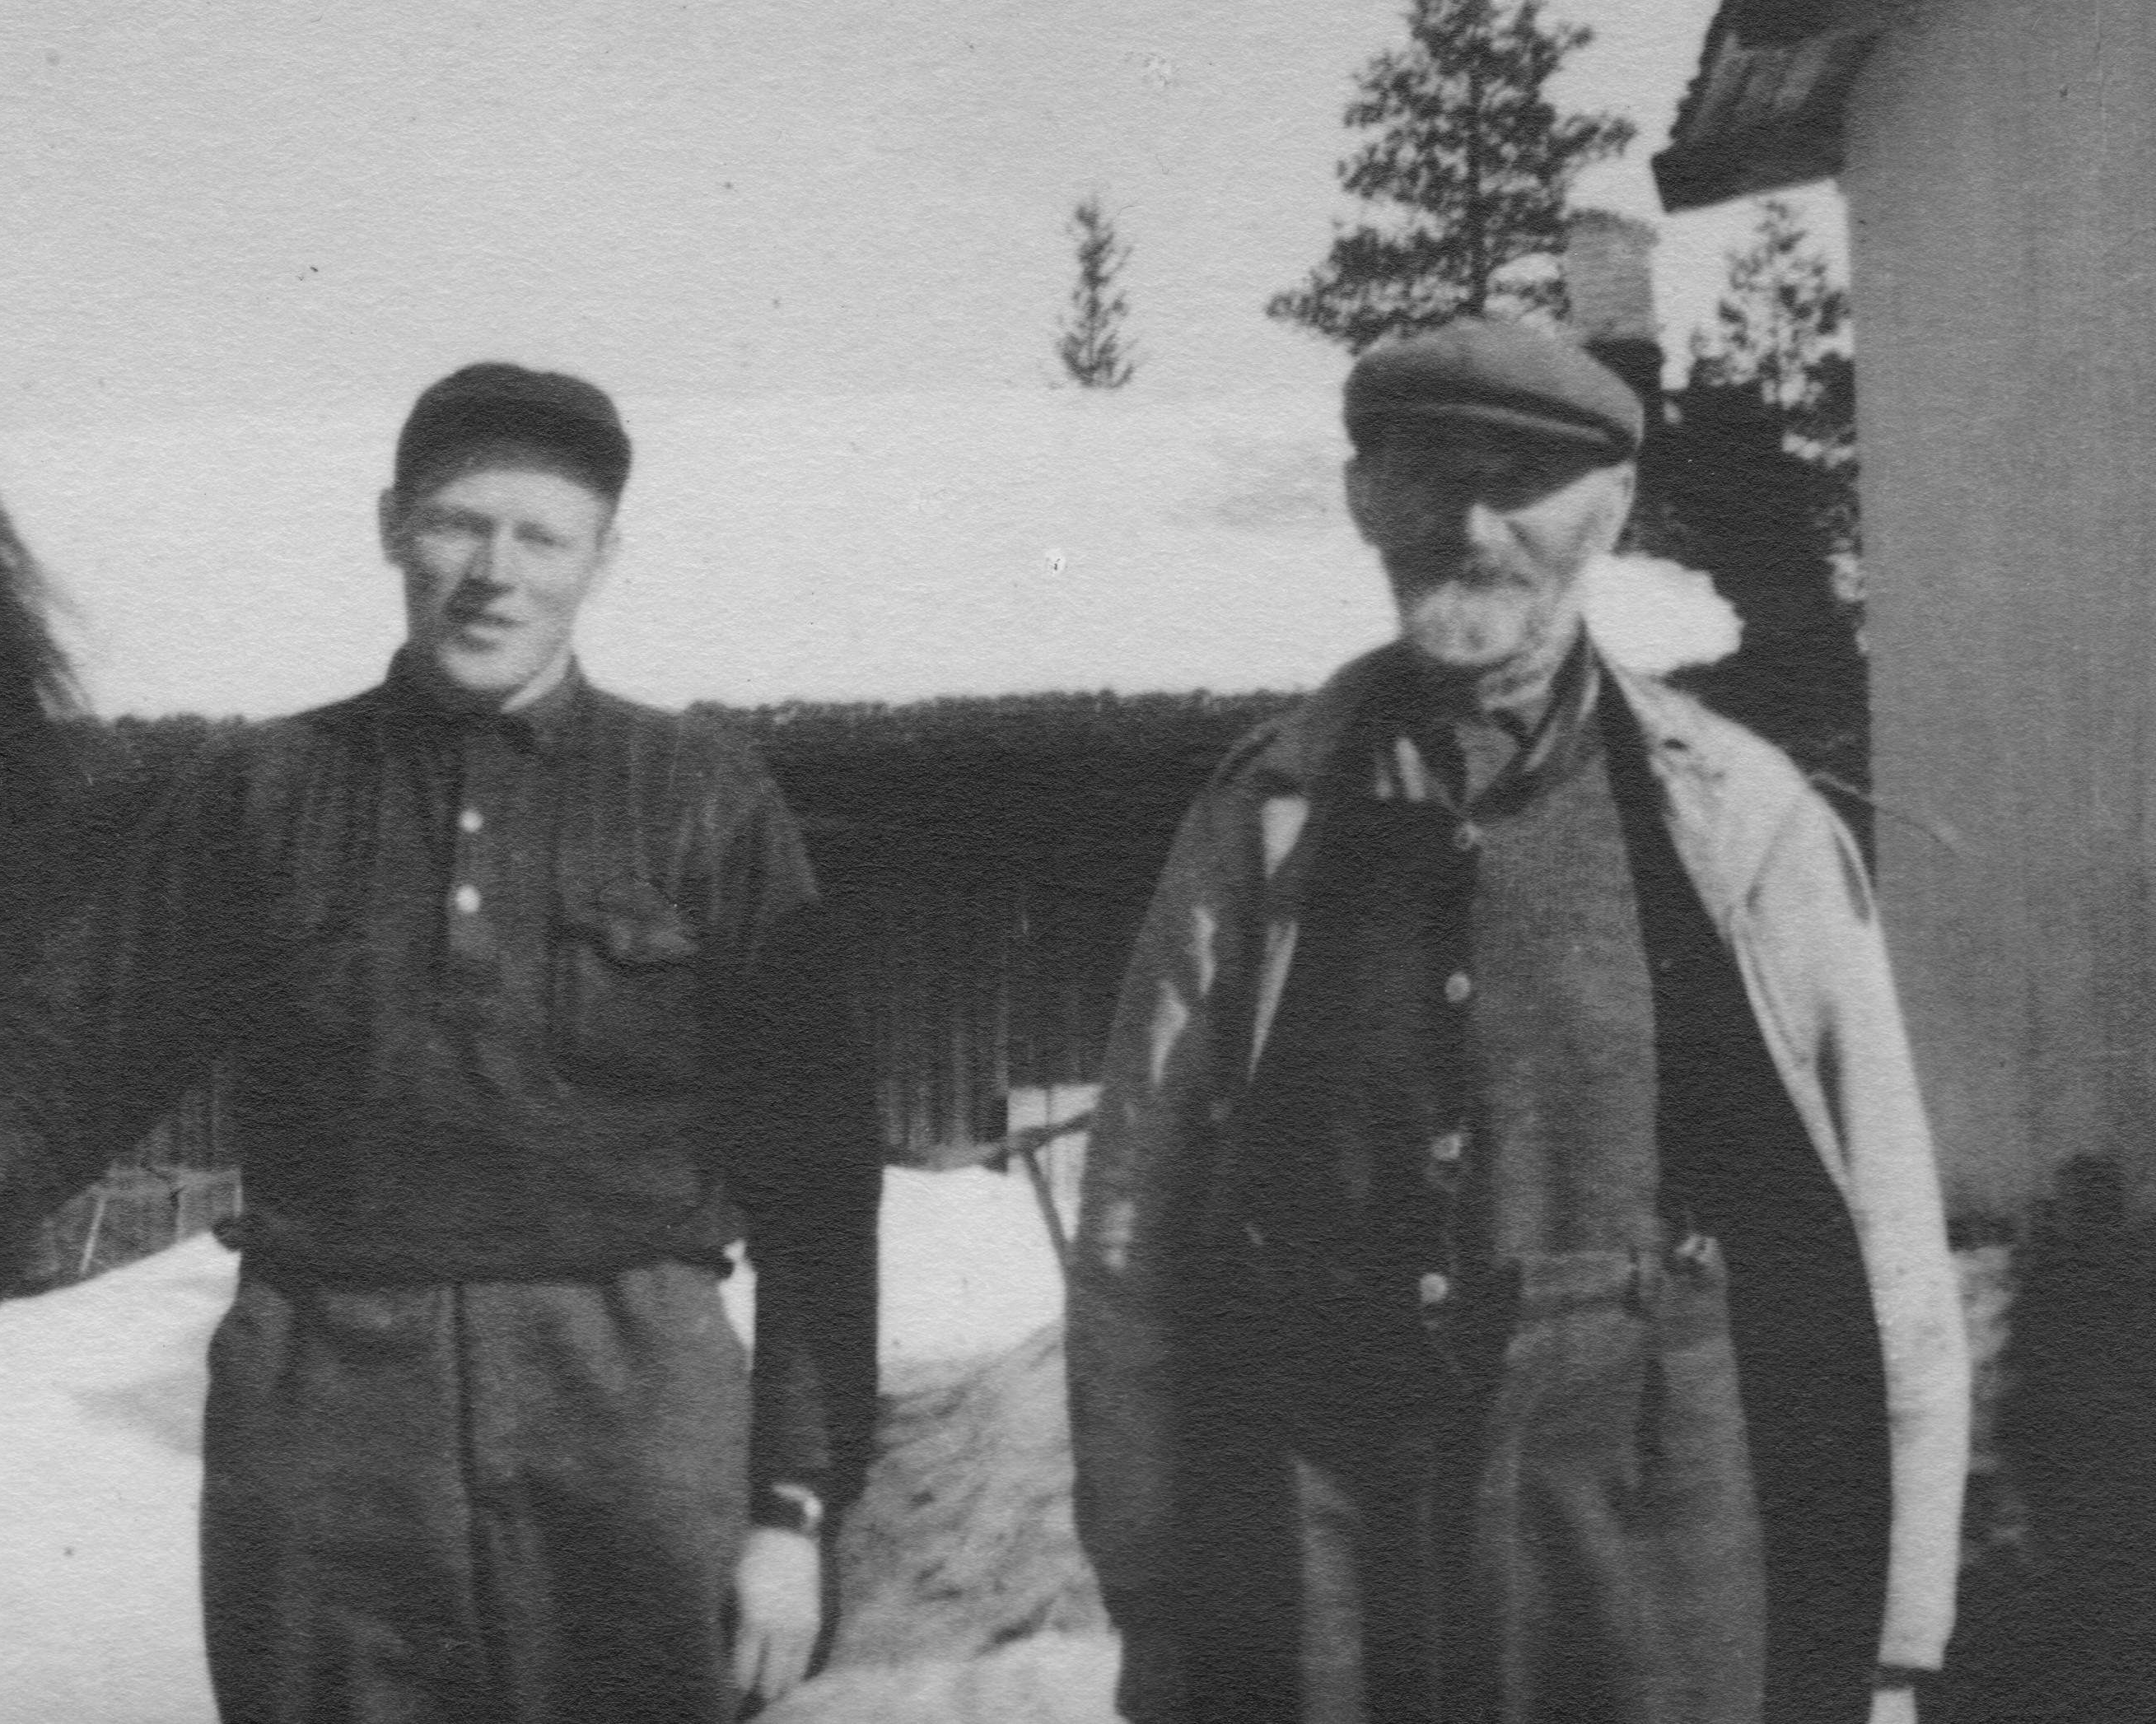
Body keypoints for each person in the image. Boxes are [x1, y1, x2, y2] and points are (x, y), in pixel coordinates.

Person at [1066, 319, 1967, 1724]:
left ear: (1605, 513)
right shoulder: (1260, 819)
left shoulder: (1737, 817)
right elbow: (1135, 1220)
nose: (1472, 525)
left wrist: (1897, 1636)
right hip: (1329, 1531)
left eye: (1523, 482)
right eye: (1426, 476)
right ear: (1366, 499)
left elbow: (1886, 1232)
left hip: (1645, 1534)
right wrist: (1154, 1581)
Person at [103, 362, 878, 1724]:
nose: (494, 573)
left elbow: (818, 1183)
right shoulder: (260, 790)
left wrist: (793, 1511)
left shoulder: (699, 794)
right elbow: (68, 1066)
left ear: (603, 559)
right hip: (325, 1417)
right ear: (393, 524)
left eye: (543, 536)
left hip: (634, 1406)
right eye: (460, 523)